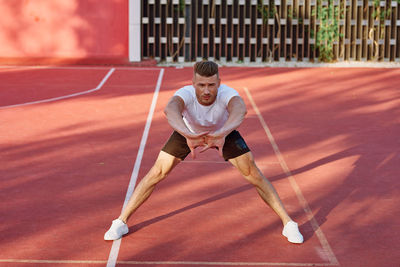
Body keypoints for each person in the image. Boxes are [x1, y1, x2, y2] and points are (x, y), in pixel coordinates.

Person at [104, 61, 303, 244]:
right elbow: (170, 110)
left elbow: (240, 110)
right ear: (193, 83)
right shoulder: (185, 94)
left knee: (254, 174)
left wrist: (221, 134)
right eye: (201, 85)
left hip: (223, 133)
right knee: (157, 173)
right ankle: (121, 221)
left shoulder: (227, 93)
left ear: (219, 83)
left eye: (211, 85)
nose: (206, 90)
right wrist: (187, 134)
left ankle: (288, 223)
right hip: (188, 133)